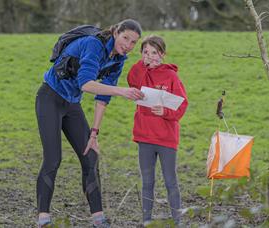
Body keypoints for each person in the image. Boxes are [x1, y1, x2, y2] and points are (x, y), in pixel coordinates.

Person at [35, 19, 144, 228]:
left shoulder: (119, 58)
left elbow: (103, 98)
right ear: (115, 33)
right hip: (50, 98)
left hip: (72, 104)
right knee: (53, 159)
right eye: (125, 38)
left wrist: (94, 133)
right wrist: (122, 91)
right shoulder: (94, 45)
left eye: (133, 42)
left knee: (90, 156)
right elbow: (86, 84)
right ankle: (43, 218)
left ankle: (98, 219)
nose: (128, 45)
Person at [127, 35, 188, 226]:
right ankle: (146, 220)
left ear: (162, 54)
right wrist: (141, 64)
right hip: (144, 136)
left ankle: (177, 220)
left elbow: (182, 104)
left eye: (154, 52)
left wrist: (165, 111)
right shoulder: (140, 72)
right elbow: (131, 81)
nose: (150, 56)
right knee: (147, 182)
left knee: (170, 181)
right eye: (145, 52)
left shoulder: (171, 76)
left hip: (166, 138)